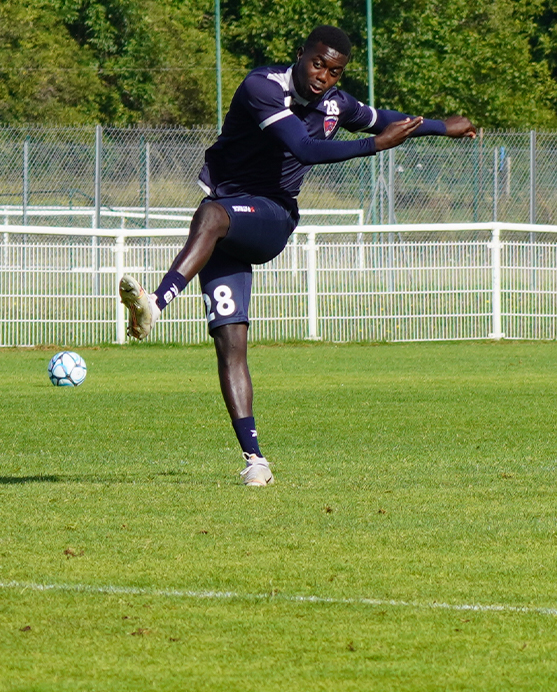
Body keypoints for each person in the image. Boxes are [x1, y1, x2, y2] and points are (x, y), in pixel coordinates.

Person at [118, 24, 477, 485]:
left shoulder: (336, 105)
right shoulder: (263, 87)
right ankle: (255, 461)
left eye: (334, 71)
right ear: (301, 54)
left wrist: (441, 127)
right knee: (230, 342)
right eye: (317, 64)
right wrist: (376, 146)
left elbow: (381, 117)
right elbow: (304, 148)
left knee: (210, 214)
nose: (323, 76)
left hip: (271, 217)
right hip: (228, 223)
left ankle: (156, 303)